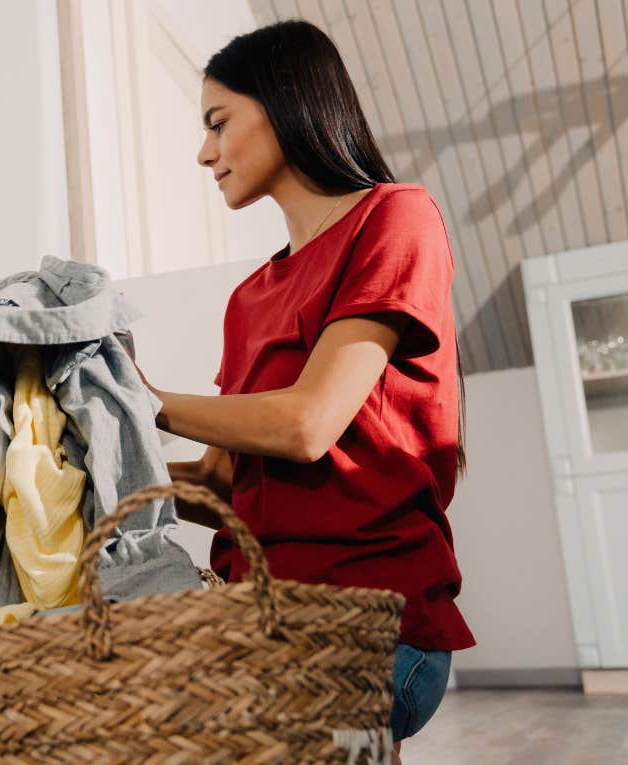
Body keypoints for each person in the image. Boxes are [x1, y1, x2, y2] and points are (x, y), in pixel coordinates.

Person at [136, 20, 476, 763]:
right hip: (257, 620)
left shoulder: (395, 217)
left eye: (218, 123)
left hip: (368, 627)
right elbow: (223, 486)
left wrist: (145, 401)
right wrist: (97, 456)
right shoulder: (248, 297)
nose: (204, 152)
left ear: (285, 102)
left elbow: (309, 424)